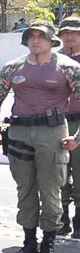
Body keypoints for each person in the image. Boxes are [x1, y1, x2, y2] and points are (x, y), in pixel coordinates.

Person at [0, 21, 80, 253]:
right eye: (31, 36)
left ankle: (48, 244)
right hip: (19, 132)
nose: (35, 40)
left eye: (41, 36)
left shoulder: (67, 67)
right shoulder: (13, 67)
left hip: (52, 134)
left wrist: (77, 138)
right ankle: (29, 243)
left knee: (51, 191)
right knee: (25, 190)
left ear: (51, 41)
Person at [57, 16, 80, 237]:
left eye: (74, 33)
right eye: (65, 33)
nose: (69, 37)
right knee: (59, 173)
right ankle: (61, 218)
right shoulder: (53, 60)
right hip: (58, 120)